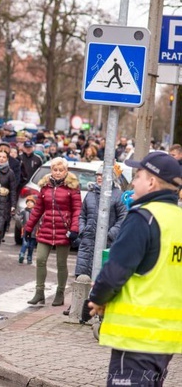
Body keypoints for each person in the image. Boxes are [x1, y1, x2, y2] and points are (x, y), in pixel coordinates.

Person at [88, 152, 182, 386]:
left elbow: (115, 272)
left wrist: (95, 299)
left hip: (137, 338)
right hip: (166, 339)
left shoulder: (144, 218)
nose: (133, 181)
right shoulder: (178, 219)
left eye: (138, 175)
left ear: (151, 182)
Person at [24, 157, 81, 306]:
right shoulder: (45, 187)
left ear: (66, 171)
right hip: (46, 228)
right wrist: (29, 227)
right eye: (55, 170)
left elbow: (77, 211)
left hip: (64, 230)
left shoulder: (72, 188)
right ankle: (39, 292)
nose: (57, 173)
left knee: (61, 264)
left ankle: (60, 293)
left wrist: (74, 229)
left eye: (60, 170)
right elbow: (37, 209)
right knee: (40, 259)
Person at [74, 168, 127, 278]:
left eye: (102, 174)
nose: (99, 177)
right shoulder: (90, 194)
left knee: (102, 278)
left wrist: (111, 234)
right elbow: (82, 215)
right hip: (87, 242)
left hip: (107, 243)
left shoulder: (118, 195)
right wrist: (82, 229)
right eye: (97, 175)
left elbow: (123, 217)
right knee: (82, 277)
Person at [18, 196, 37, 264]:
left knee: (31, 246)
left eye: (31, 202)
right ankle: (22, 254)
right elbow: (19, 219)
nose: (29, 203)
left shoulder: (36, 212)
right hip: (25, 231)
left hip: (34, 232)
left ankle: (29, 257)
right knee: (25, 244)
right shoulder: (23, 211)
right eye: (28, 202)